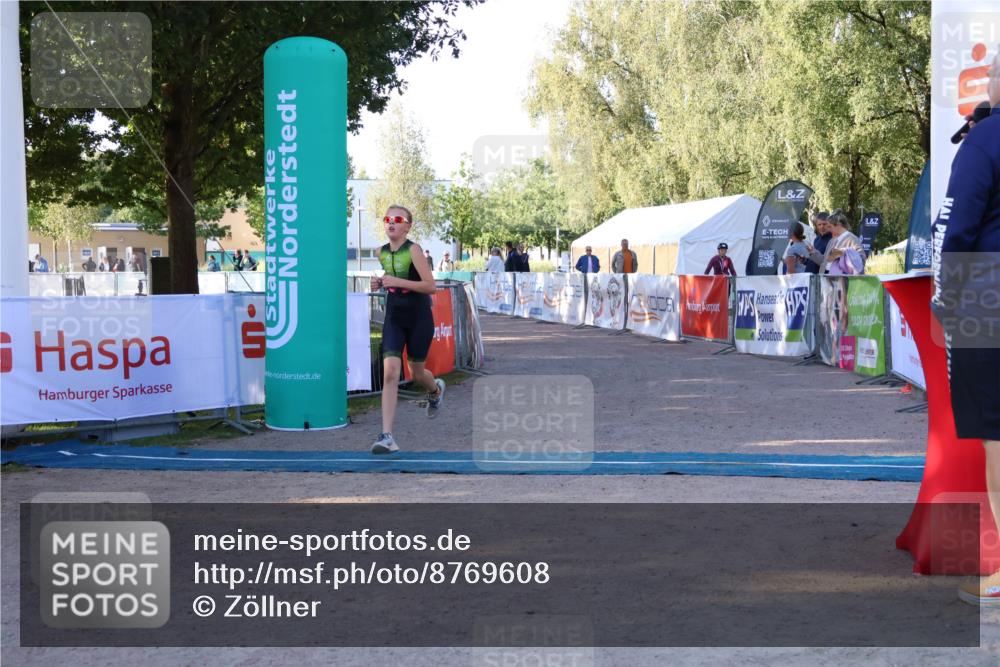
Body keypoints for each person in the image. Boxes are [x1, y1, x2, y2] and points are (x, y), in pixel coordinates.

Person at [931, 50, 1000, 606]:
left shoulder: (983, 141)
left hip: (990, 301)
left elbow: (957, 230)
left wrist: (945, 298)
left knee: (998, 436)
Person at [371, 204, 446, 454]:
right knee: (391, 372)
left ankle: (434, 390)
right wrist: (379, 282)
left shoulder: (413, 250)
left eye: (397, 219)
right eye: (387, 218)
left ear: (407, 226)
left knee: (416, 373)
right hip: (394, 317)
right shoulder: (381, 251)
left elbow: (430, 286)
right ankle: (387, 436)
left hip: (418, 318)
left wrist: (396, 281)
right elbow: (390, 276)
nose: (391, 222)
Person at [814, 211, 864, 275]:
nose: (828, 229)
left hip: (844, 280)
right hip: (829, 278)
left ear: (838, 225)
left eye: (830, 227)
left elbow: (861, 260)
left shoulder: (852, 239)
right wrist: (812, 252)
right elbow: (825, 261)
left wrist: (843, 252)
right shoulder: (832, 240)